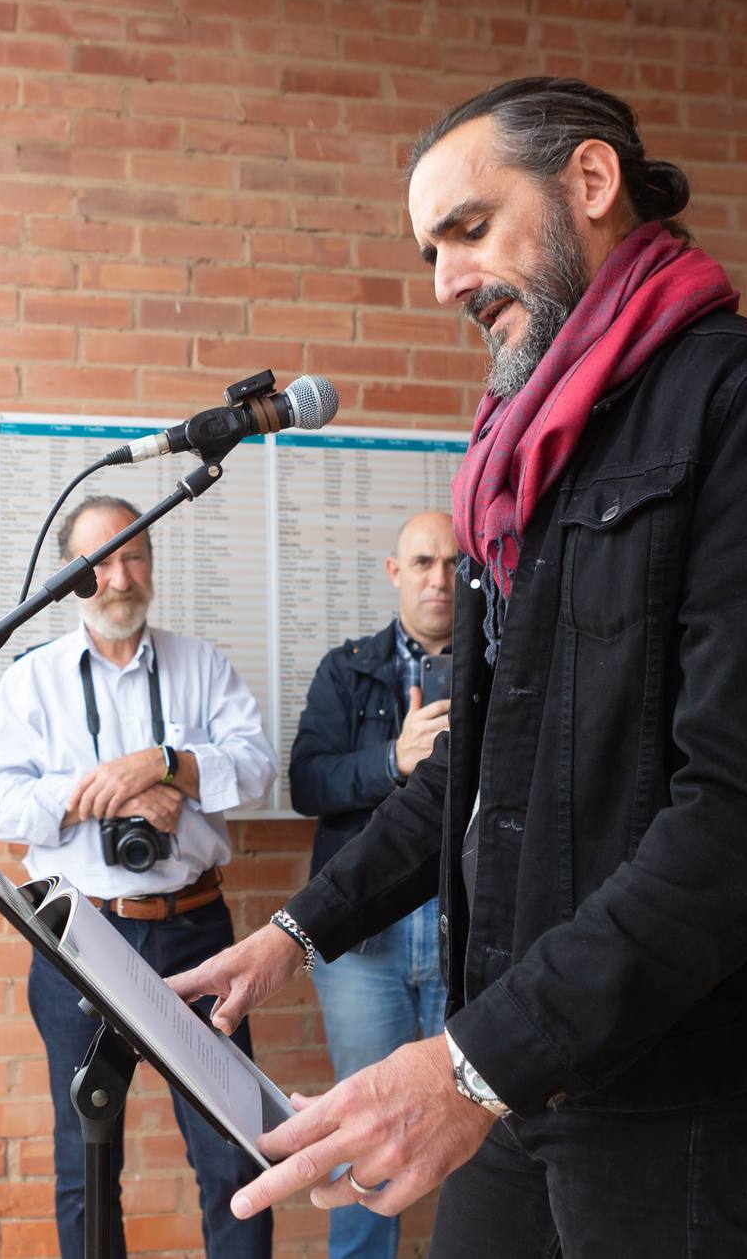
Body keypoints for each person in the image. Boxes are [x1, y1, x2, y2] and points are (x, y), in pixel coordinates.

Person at [171, 75, 747, 1256]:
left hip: (686, 1103)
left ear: (593, 182)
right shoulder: (532, 461)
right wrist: (295, 932)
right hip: (524, 1068)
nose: (447, 281)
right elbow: (479, 773)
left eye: (468, 229)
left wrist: (467, 1071)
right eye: (430, 254)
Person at [0, 494, 279, 1259]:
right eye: (101, 561)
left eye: (134, 556)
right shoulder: (31, 680)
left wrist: (170, 767)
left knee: (235, 1150)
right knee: (86, 1160)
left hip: (196, 931)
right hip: (83, 935)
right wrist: (99, 790)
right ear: (73, 577)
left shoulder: (202, 665)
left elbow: (258, 771)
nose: (120, 576)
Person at [286, 510, 455, 1259]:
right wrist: (395, 759)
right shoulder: (346, 669)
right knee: (361, 1129)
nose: (440, 579)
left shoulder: (510, 664)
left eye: (455, 564)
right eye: (422, 562)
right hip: (364, 947)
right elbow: (307, 782)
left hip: (467, 933)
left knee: (494, 1126)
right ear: (395, 572)